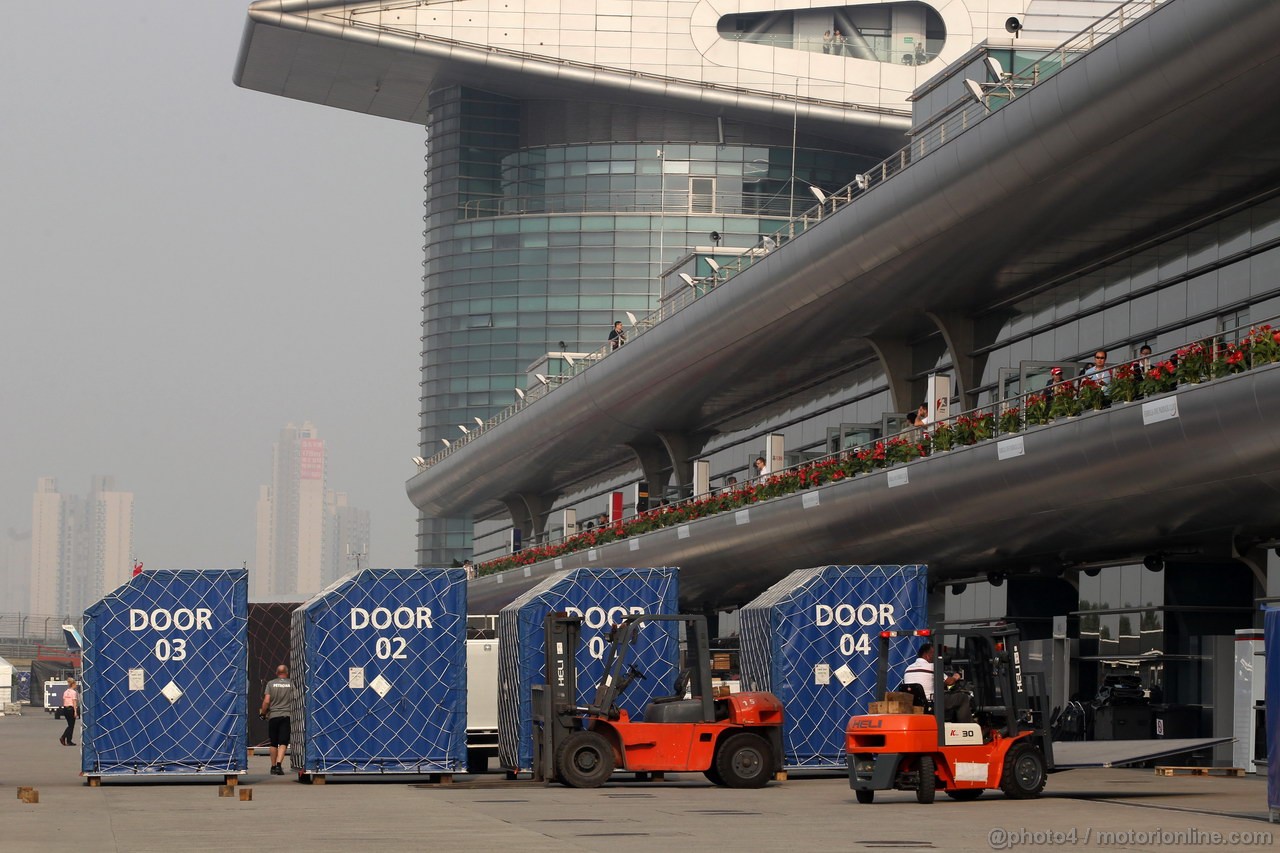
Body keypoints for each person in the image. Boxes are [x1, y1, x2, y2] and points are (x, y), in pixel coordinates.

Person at [903, 643, 972, 723]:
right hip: (931, 703)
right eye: (934, 654)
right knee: (962, 698)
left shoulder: (908, 669)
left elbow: (928, 684)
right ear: (927, 655)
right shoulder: (932, 667)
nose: (936, 657)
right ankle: (966, 727)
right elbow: (950, 682)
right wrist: (956, 676)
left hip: (914, 703)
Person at [260, 664, 294, 776]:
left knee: (273, 742)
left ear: (276, 673)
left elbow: (266, 701)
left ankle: (273, 766)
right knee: (283, 742)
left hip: (273, 716)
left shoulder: (270, 684)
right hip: (286, 715)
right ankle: (279, 765)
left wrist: (263, 713)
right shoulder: (291, 684)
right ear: (287, 673)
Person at [59, 677, 79, 746]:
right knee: (71, 726)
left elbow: (64, 700)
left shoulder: (65, 692)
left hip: (65, 708)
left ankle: (68, 740)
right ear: (73, 684)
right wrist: (75, 711)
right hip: (71, 709)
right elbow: (74, 702)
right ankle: (64, 737)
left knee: (69, 725)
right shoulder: (73, 692)